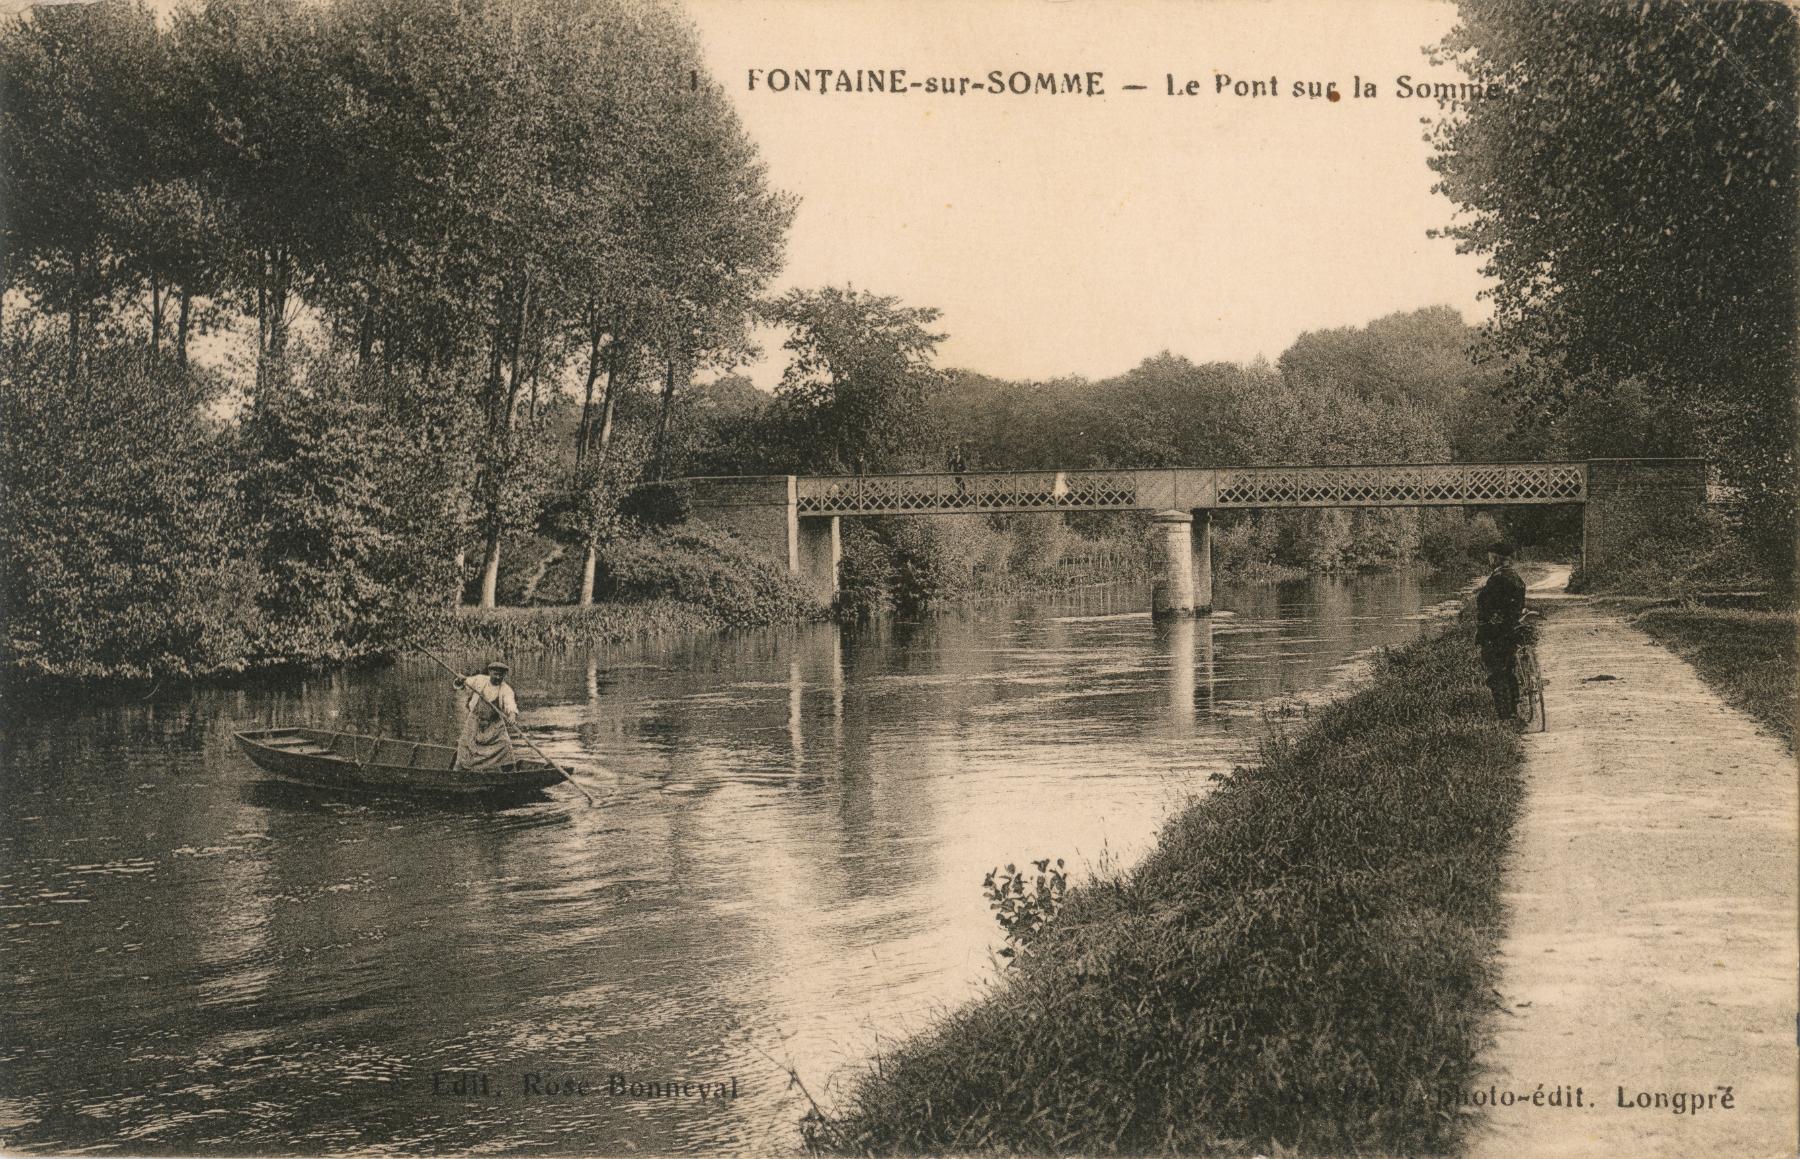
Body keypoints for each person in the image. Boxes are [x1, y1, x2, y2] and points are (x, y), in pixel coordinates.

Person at [1475, 540, 1528, 722]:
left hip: (1495, 634)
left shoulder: (1497, 579)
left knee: (1497, 673)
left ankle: (1505, 715)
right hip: (1511, 631)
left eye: (1491, 555)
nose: (1489, 558)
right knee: (1508, 670)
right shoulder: (1516, 578)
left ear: (1497, 557)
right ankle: (1513, 710)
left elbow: (1487, 607)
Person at [453, 661, 519, 770]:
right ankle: (457, 773)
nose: (498, 677)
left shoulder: (506, 689)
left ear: (504, 675)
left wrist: (512, 716)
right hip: (474, 721)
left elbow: (510, 704)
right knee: (464, 747)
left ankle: (509, 772)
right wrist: (460, 680)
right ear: (490, 672)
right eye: (495, 674)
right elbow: (464, 683)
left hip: (495, 725)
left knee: (505, 745)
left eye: (500, 675)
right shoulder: (479, 680)